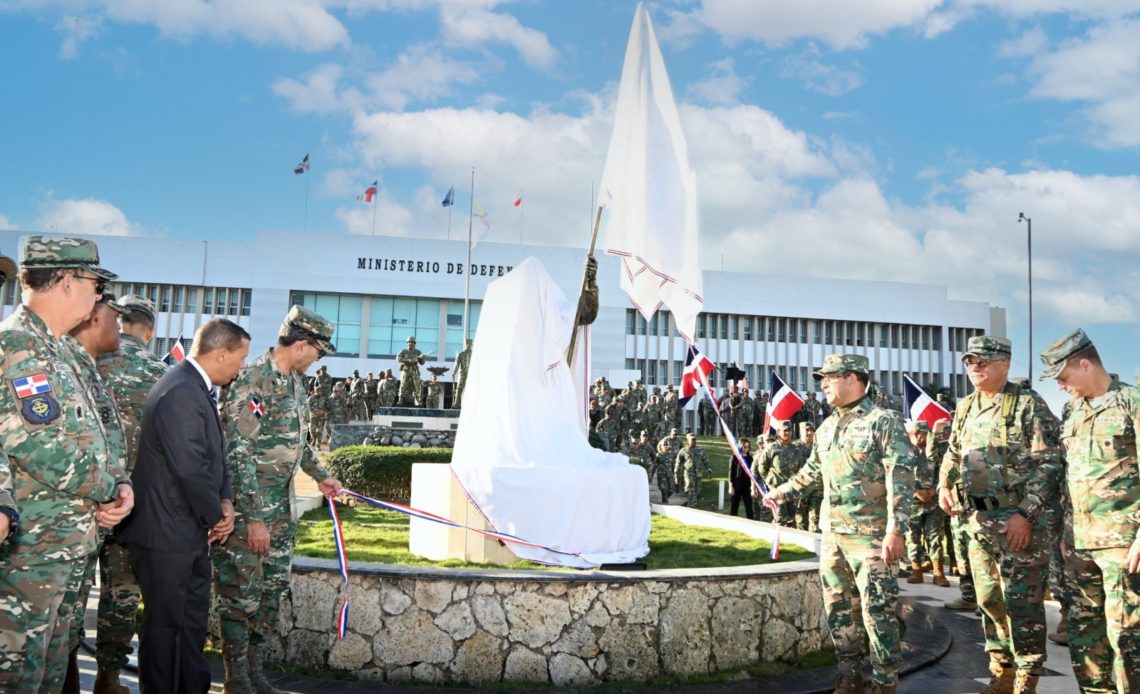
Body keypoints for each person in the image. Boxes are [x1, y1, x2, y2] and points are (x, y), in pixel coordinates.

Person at [0, 239, 132, 692]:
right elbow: (35, 445)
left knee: (52, 674)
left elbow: (100, 433)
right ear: (67, 282)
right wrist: (107, 488)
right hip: (30, 554)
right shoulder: (14, 346)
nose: (99, 296)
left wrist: (119, 482)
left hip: (71, 548)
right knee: (19, 675)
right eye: (96, 284)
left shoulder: (68, 353)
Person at [764, 354, 916, 694]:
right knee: (839, 611)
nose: (823, 383)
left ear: (852, 378)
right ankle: (849, 677)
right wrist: (781, 492)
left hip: (872, 538)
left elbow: (901, 477)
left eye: (829, 377)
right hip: (833, 536)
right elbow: (811, 473)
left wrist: (896, 530)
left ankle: (884, 682)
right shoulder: (827, 427)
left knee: (877, 612)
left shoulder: (883, 421)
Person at [214, 306, 343, 692]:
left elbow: (298, 443)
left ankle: (254, 671)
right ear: (301, 345)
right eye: (318, 351)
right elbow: (237, 454)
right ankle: (236, 679)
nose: (318, 359)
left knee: (271, 595)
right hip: (250, 514)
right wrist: (252, 518)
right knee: (241, 596)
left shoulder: (293, 383)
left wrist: (323, 476)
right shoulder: (253, 381)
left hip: (282, 512)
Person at [120, 319, 248, 694]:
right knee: (163, 630)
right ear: (221, 353)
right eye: (240, 358)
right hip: (165, 534)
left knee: (189, 626)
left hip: (186, 532)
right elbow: (190, 467)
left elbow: (214, 458)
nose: (241, 366)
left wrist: (224, 501)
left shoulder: (195, 388)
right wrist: (217, 515)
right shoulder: (179, 390)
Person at [937, 336, 1061, 694]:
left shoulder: (1026, 405)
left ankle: (1027, 678)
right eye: (970, 361)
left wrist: (1026, 513)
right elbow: (953, 452)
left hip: (1017, 521)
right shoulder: (965, 407)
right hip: (977, 522)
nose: (975, 367)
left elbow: (1050, 463)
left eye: (983, 361)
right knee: (989, 599)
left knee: (1022, 604)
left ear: (1005, 364)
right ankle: (1001, 670)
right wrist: (945, 484)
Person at [1040, 329, 1140, 693]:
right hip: (1080, 544)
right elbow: (1071, 476)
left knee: (1127, 636)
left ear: (1085, 364)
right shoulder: (1073, 412)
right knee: (1085, 635)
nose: (1062, 386)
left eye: (1064, 378)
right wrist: (1067, 534)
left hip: (1123, 546)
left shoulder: (1131, 402)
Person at [93, 294, 169, 691]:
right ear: (150, 330)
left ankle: (62, 676)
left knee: (68, 594)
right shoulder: (161, 374)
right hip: (132, 504)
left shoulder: (88, 363)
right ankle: (108, 678)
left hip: (83, 497)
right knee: (121, 592)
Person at [63, 291, 130, 694]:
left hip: (94, 519)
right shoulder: (61, 362)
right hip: (60, 528)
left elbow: (104, 443)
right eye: (112, 316)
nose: (118, 326)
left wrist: (118, 487)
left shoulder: (87, 368)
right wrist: (111, 488)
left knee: (67, 625)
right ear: (91, 317)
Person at [905, 421, 950, 587]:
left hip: (934, 502)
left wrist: (934, 490)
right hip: (913, 503)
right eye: (915, 433)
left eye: (921, 433)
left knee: (935, 537)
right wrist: (917, 491)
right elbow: (902, 472)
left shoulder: (937, 451)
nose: (918, 437)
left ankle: (939, 573)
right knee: (913, 537)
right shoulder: (906, 452)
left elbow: (944, 470)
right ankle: (916, 570)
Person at [753, 421, 805, 528]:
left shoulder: (796, 449)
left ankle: (789, 542)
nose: (787, 433)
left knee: (793, 516)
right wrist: (770, 481)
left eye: (789, 430)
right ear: (778, 432)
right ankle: (777, 542)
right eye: (785, 430)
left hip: (791, 489)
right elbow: (762, 467)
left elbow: (801, 467)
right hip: (776, 489)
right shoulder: (772, 448)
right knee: (780, 517)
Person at [794, 422, 822, 532]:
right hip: (801, 488)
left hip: (817, 488)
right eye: (807, 430)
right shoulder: (794, 447)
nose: (810, 432)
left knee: (815, 517)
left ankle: (814, 542)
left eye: (812, 430)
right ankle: (802, 544)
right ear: (801, 432)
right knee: (801, 518)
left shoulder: (818, 446)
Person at [674, 432, 711, 507]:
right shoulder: (683, 450)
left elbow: (706, 461)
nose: (694, 441)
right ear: (688, 440)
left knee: (697, 492)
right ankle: (691, 508)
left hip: (698, 474)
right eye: (692, 440)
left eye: (695, 439)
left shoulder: (701, 450)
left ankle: (690, 505)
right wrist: (676, 475)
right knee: (691, 491)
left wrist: (709, 470)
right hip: (689, 474)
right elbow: (678, 463)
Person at [729, 437, 755, 519]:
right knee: (734, 506)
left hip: (747, 486)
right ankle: (732, 522)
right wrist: (731, 486)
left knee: (749, 507)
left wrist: (753, 487)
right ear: (740, 446)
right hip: (737, 486)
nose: (746, 449)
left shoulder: (750, 458)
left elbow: (753, 473)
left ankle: (751, 523)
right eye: (744, 447)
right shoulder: (735, 457)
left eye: (748, 447)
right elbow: (731, 472)